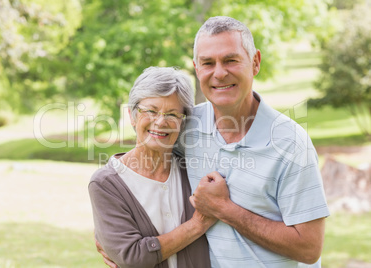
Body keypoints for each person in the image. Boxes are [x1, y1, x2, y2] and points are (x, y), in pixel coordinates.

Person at [98, 16, 330, 267]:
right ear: (197, 69)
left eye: (231, 60)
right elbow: (142, 160)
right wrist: (112, 233)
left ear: (255, 63)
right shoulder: (185, 126)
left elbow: (309, 249)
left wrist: (224, 209)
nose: (219, 73)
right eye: (208, 63)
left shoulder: (291, 143)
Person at [88, 66, 215, 268]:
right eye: (151, 111)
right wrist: (197, 225)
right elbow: (133, 257)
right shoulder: (106, 183)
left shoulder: (193, 170)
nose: (160, 121)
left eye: (173, 114)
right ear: (132, 115)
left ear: (183, 122)